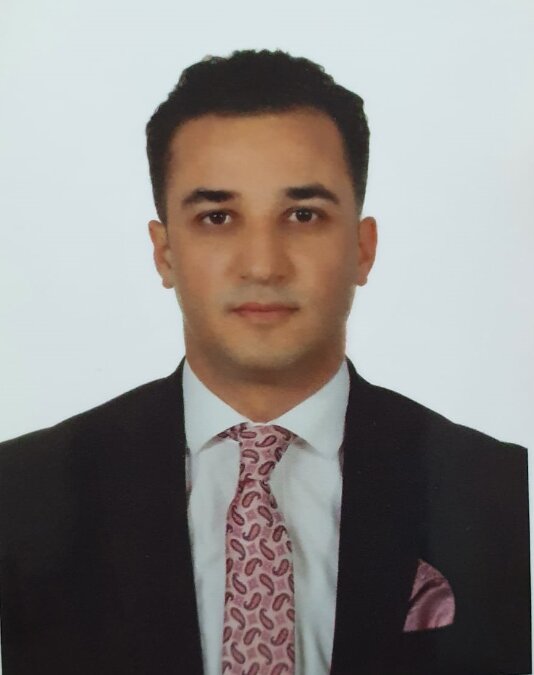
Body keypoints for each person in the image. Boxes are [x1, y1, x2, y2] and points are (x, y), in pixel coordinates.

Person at [0, 49, 530, 675]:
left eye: (303, 215)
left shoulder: (502, 493)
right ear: (165, 252)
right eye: (217, 217)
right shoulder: (21, 494)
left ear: (362, 249)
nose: (262, 264)